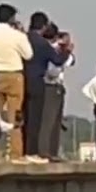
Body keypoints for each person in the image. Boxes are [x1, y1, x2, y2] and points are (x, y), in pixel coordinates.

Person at [0, 3, 33, 159]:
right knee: (15, 116)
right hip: (14, 75)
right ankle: (15, 153)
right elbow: (28, 55)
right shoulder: (17, 36)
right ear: (11, 18)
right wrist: (22, 33)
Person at [23, 11, 74, 162]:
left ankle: (29, 151)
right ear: (44, 27)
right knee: (39, 120)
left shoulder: (25, 39)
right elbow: (57, 61)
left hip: (24, 78)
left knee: (28, 118)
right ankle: (36, 152)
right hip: (40, 81)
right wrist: (67, 51)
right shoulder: (42, 43)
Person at [39, 27, 75, 160]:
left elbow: (71, 61)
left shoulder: (62, 52)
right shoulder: (52, 50)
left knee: (56, 121)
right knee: (48, 121)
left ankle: (53, 151)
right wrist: (63, 52)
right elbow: (53, 71)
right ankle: (45, 151)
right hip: (50, 85)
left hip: (58, 87)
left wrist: (66, 52)